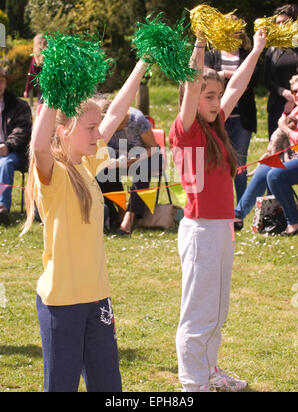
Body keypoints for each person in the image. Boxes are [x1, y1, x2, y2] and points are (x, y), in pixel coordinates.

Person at [21, 58, 149, 392]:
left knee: (109, 387)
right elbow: (37, 144)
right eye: (89, 128)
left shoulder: (88, 161)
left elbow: (115, 112)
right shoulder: (52, 175)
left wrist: (142, 62)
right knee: (61, 386)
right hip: (61, 302)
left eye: (97, 128)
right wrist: (52, 88)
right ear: (63, 132)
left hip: (97, 299)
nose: (99, 132)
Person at [169, 29, 266, 392]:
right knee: (197, 312)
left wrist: (256, 49)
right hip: (200, 231)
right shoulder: (188, 130)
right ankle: (192, 384)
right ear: (192, 100)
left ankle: (208, 369)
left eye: (216, 96)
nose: (215, 101)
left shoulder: (216, 126)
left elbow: (238, 85)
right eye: (208, 96)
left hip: (221, 228)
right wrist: (199, 44)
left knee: (217, 309)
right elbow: (192, 85)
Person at [234, 73, 298, 236]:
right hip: (294, 158)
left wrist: (283, 127)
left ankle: (293, 221)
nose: (297, 95)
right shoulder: (295, 110)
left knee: (275, 176)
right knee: (265, 168)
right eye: (294, 92)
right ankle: (238, 215)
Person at [205, 15, 259, 204]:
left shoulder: (247, 54)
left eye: (235, 27)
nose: (232, 31)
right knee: (218, 160)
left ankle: (240, 207)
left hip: (242, 117)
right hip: (217, 117)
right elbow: (205, 77)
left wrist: (223, 75)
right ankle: (220, 201)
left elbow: (251, 80)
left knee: (240, 163)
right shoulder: (211, 55)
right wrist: (230, 74)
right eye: (227, 27)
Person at [97, 97, 160, 235]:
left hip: (147, 156)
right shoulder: (102, 125)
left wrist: (132, 160)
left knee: (142, 169)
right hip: (120, 160)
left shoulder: (136, 119)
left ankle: (129, 216)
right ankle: (117, 211)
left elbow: (153, 148)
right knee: (102, 170)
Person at [0, 66, 32, 224]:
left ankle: (2, 207)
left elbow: (23, 130)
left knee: (5, 162)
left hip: (15, 153)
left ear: (5, 83)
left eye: (0, 81)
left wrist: (7, 145)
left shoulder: (19, 106)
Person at [264, 4, 298, 139]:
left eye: (284, 22)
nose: (280, 26)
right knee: (276, 149)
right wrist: (284, 93)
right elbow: (267, 80)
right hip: (277, 105)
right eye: (278, 23)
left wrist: (294, 97)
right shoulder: (272, 49)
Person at [23, 34, 47, 104]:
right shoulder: (52, 55)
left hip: (42, 90)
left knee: (42, 110)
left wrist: (27, 90)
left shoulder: (36, 58)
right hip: (53, 89)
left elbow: (31, 75)